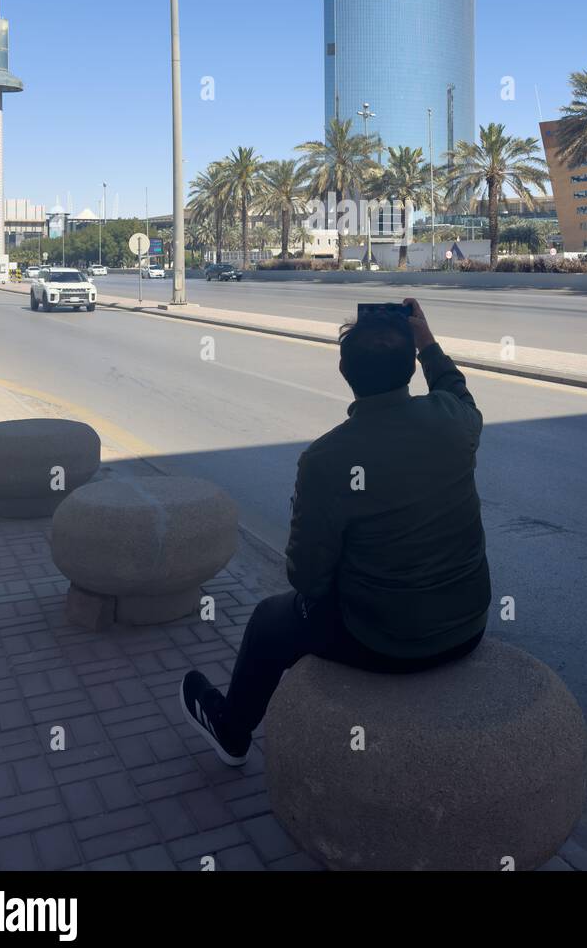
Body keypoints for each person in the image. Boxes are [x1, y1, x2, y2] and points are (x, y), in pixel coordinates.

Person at [180, 299, 491, 765]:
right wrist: (427, 341)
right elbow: (453, 386)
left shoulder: (326, 459)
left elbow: (306, 578)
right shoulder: (456, 421)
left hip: (384, 641)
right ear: (410, 366)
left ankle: (232, 732)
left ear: (344, 369)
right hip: (468, 627)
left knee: (269, 621)